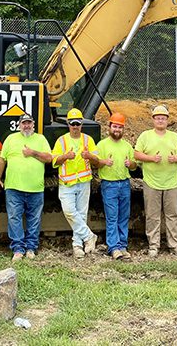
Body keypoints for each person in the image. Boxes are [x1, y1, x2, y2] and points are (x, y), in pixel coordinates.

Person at [0, 113, 52, 261]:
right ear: (19, 125)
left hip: (35, 188)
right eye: (24, 123)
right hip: (13, 187)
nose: (26, 126)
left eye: (29, 123)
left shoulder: (40, 139)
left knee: (34, 219)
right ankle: (18, 249)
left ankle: (31, 247)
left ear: (33, 124)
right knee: (14, 218)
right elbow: (2, 160)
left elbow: (49, 158)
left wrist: (32, 153)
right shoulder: (11, 139)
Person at [134, 105, 177, 258]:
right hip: (151, 183)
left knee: (172, 215)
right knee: (152, 215)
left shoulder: (175, 137)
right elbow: (136, 154)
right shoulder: (145, 136)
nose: (160, 120)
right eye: (157, 117)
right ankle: (153, 245)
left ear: (167, 120)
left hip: (171, 183)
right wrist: (151, 158)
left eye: (163, 118)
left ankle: (175, 245)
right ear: (153, 119)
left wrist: (176, 159)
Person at [52, 108, 100, 259]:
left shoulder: (88, 140)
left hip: (84, 181)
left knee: (81, 214)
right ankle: (89, 236)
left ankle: (78, 246)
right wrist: (65, 156)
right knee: (69, 211)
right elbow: (54, 160)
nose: (75, 126)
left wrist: (89, 155)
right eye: (72, 123)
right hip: (67, 182)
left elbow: (97, 161)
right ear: (68, 124)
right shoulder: (62, 141)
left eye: (77, 123)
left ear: (81, 124)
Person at [96, 112, 137, 260]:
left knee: (123, 216)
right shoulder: (102, 145)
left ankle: (122, 245)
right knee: (112, 216)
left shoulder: (127, 146)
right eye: (115, 127)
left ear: (123, 129)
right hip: (109, 185)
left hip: (124, 184)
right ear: (109, 127)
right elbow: (95, 163)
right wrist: (103, 162)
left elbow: (134, 166)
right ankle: (113, 248)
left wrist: (130, 164)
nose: (117, 130)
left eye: (120, 127)